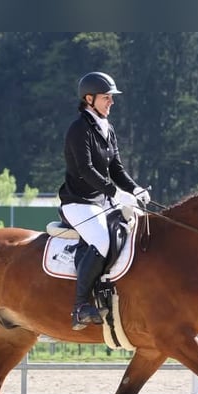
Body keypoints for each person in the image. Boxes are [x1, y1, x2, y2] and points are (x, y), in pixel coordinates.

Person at [58, 71, 150, 330]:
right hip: (79, 202)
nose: (112, 102)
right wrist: (115, 193)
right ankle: (80, 307)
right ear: (89, 99)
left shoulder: (107, 128)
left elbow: (117, 169)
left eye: (111, 97)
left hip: (102, 201)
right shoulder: (79, 129)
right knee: (101, 239)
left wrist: (135, 189)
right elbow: (86, 170)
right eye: (106, 97)